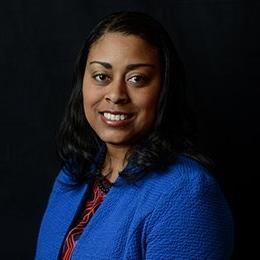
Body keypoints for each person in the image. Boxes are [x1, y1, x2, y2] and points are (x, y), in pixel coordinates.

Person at [35, 11, 234, 259]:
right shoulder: (74, 173)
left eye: (137, 79)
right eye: (101, 76)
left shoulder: (186, 194)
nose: (116, 94)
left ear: (164, 89)